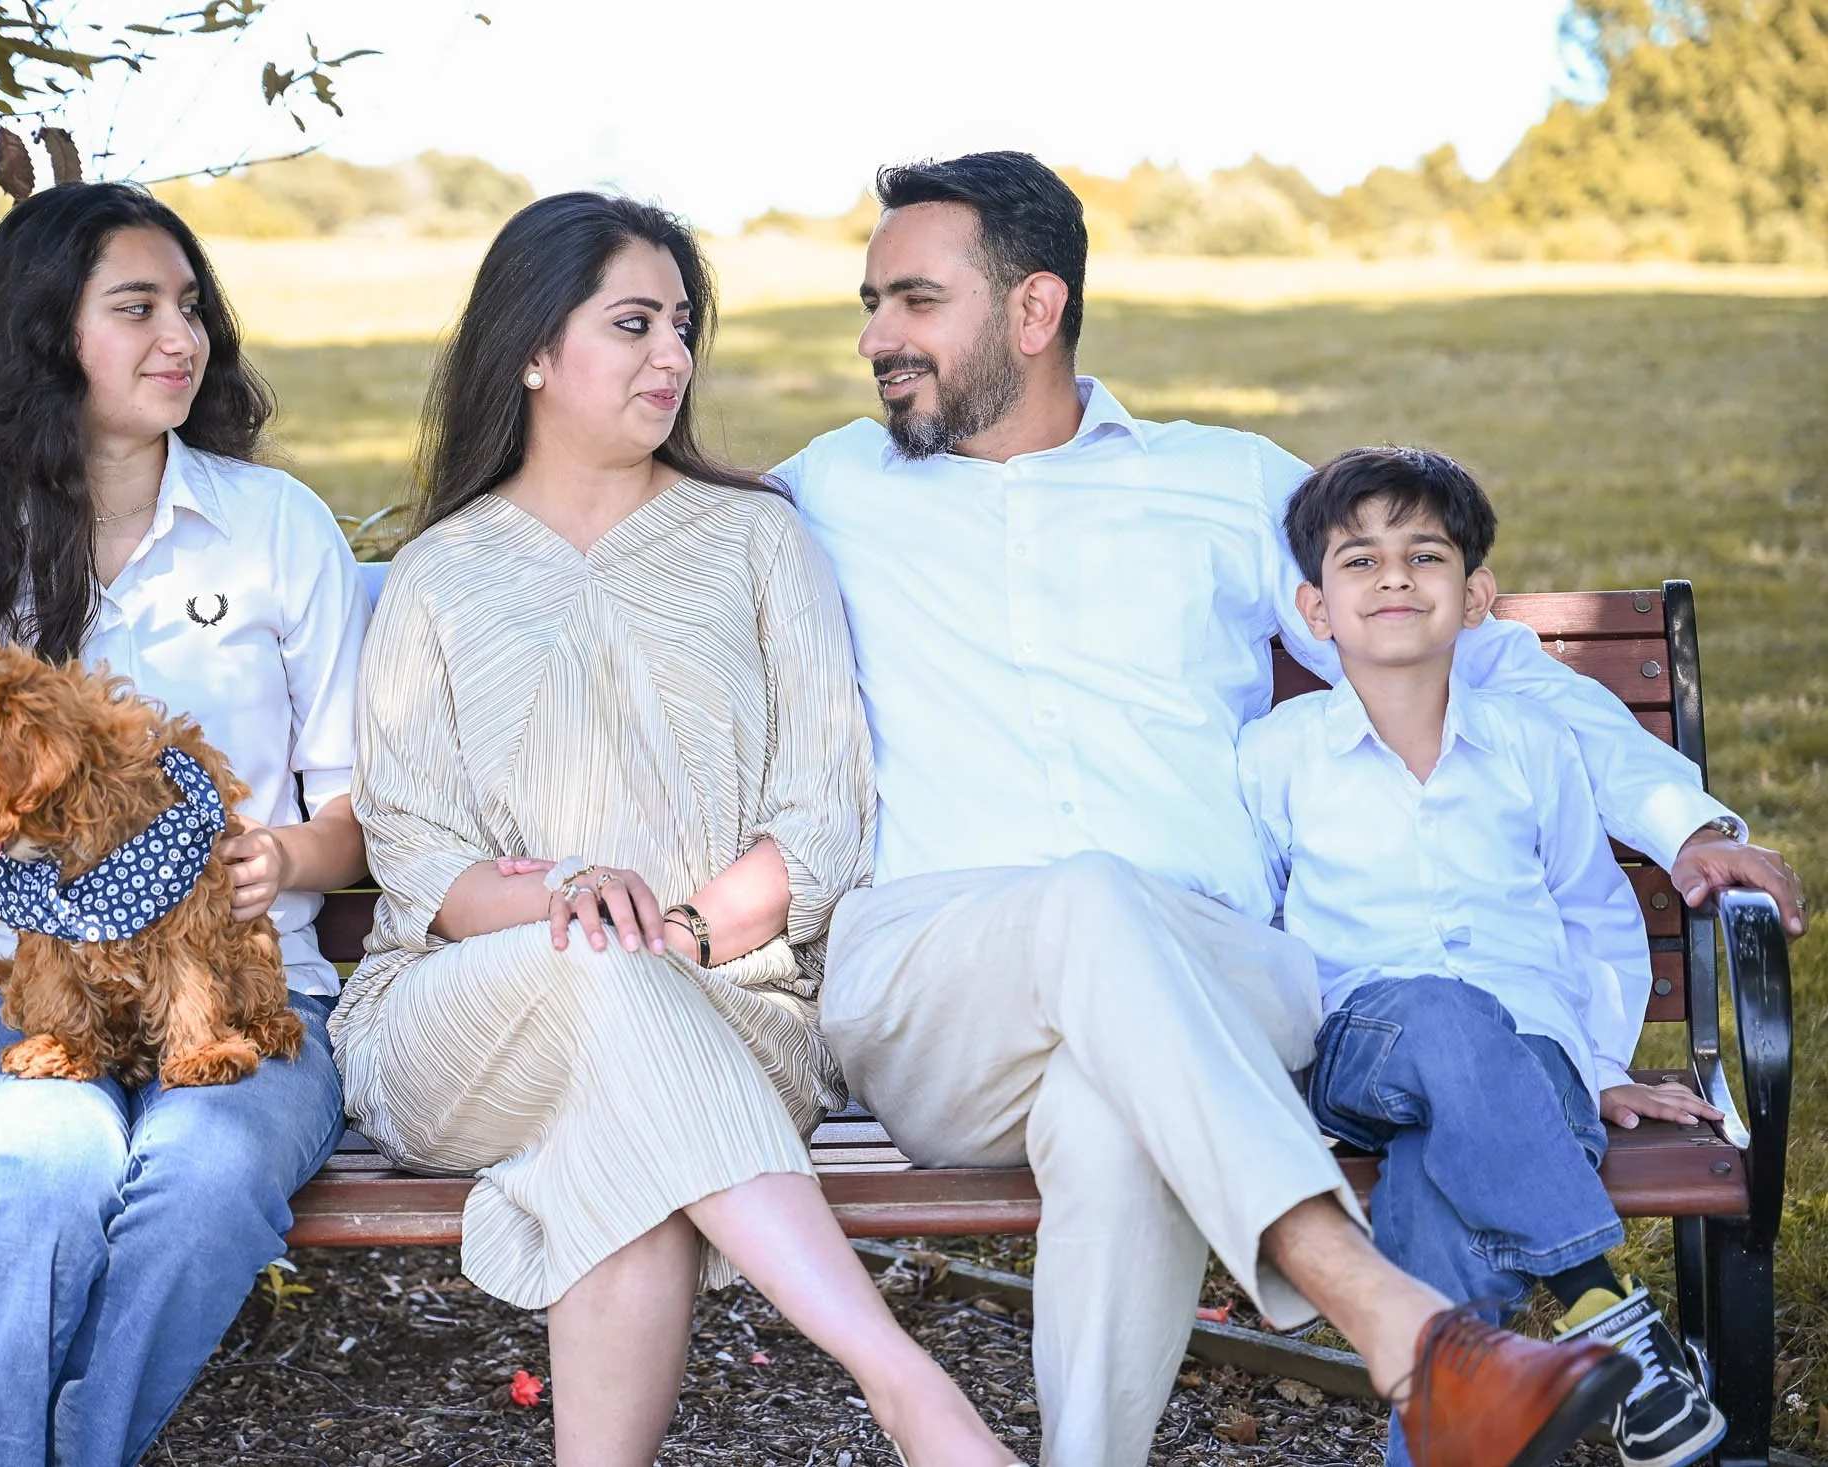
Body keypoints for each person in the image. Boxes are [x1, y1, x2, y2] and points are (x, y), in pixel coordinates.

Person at [773, 151, 1809, 1467]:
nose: (875, 337)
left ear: (1034, 311)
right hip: (935, 980)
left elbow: (1477, 673)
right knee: (1090, 893)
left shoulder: (1223, 481)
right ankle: (1407, 1333)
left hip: (1215, 978)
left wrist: (1686, 820)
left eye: (913, 301)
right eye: (872, 302)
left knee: (1112, 1102)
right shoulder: (828, 491)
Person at [330, 192, 1023, 1467]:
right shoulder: (439, 574)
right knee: (601, 978)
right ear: (532, 349)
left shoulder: (758, 539)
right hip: (458, 1021)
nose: (673, 358)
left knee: (629, 1142)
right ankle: (902, 1385)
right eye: (634, 324)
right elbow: (418, 851)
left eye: (683, 328)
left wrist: (683, 933)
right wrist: (570, 912)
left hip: (732, 1013)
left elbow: (821, 821)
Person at [0, 182, 368, 1467]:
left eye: (188, 306)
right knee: (46, 1168)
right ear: (43, 337)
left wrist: (282, 857)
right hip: (19, 1006)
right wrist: (74, 898)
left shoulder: (277, 529)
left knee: (200, 1178)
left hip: (252, 1002)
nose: (178, 337)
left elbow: (367, 815)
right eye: (135, 308)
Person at [1237, 446, 1727, 1467]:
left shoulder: (1528, 746)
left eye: (1424, 556)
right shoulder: (1277, 755)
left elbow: (1591, 916)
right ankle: (1604, 1305)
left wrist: (1594, 1067)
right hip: (1361, 1045)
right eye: (1359, 562)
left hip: (1528, 1054)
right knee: (1443, 1013)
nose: (1396, 580)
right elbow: (1249, 922)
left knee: (1436, 1199)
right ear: (1315, 610)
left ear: (1475, 595)